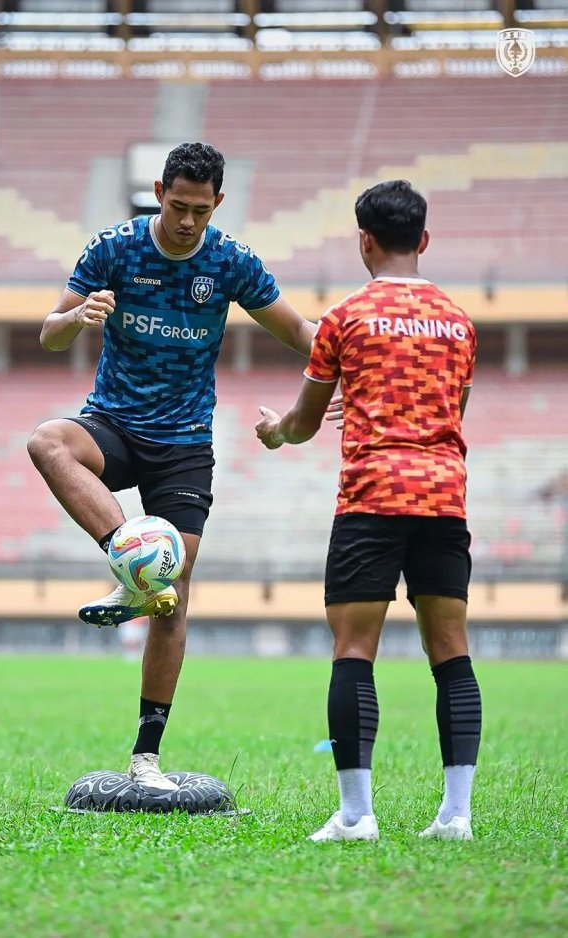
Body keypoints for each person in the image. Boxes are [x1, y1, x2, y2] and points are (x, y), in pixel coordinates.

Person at [28, 142, 316, 794]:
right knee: (48, 441)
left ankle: (145, 759)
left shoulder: (231, 261)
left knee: (173, 598)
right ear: (159, 190)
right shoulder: (114, 248)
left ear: (219, 202)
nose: (187, 221)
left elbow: (299, 331)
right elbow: (49, 334)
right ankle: (130, 560)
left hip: (185, 441)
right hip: (113, 424)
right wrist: (77, 316)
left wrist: (354, 351)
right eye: (177, 205)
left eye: (200, 209)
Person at [255, 179, 482, 842]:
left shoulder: (345, 318)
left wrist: (278, 432)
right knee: (451, 651)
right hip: (443, 496)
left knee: (354, 650)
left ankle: (356, 815)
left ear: (365, 241)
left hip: (372, 496)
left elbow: (301, 422)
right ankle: (457, 815)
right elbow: (452, 413)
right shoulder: (460, 322)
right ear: (425, 239)